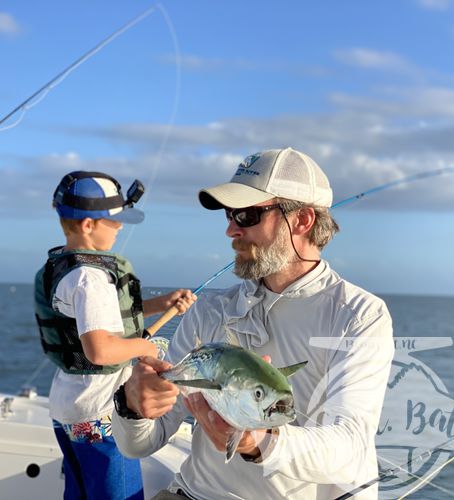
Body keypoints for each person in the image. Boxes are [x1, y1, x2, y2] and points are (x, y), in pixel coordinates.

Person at [112, 148, 394, 499]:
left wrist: (257, 441)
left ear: (303, 220)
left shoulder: (358, 315)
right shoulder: (208, 312)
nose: (231, 229)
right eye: (230, 214)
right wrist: (132, 405)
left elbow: (350, 445)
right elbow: (138, 445)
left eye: (246, 215)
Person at [34, 171, 196, 500]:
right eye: (115, 220)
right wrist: (146, 346)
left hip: (69, 406)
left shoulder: (65, 269)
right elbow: (100, 351)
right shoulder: (93, 278)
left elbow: (104, 319)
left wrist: (160, 305)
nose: (120, 227)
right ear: (89, 225)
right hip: (100, 415)